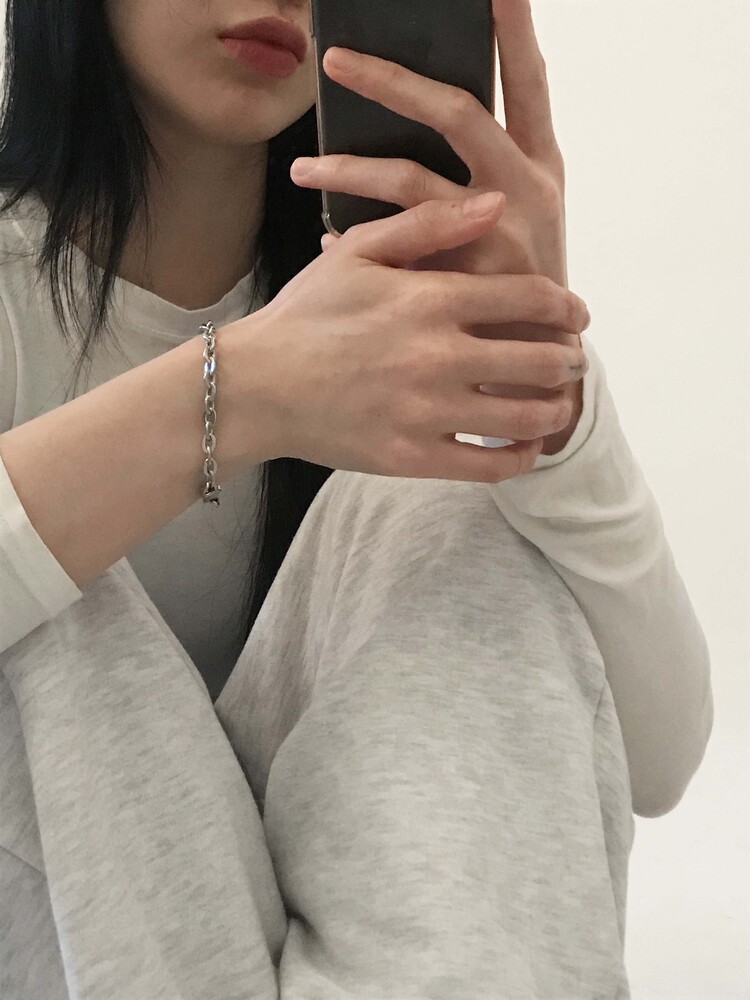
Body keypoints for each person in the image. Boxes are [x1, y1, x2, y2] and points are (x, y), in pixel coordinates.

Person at [0, 2, 713, 998]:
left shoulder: (389, 323)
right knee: (45, 565)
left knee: (451, 494)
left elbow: (661, 758)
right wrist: (243, 392)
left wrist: (540, 380)